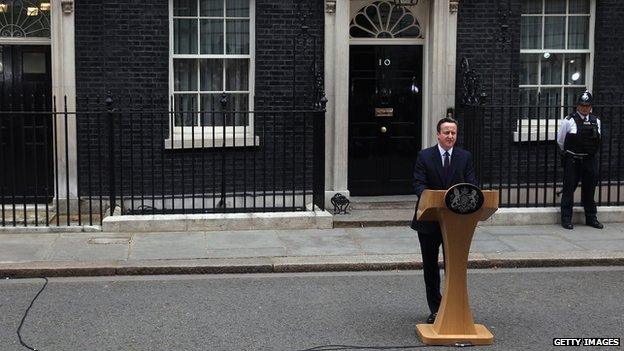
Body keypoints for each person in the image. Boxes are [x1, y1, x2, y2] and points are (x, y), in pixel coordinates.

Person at [410, 117, 477, 324]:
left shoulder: (464, 157)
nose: (450, 136)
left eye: (453, 133)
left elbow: (471, 183)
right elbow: (418, 184)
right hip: (429, 221)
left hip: (456, 222)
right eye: (446, 132)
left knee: (453, 266)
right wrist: (431, 197)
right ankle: (435, 309)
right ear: (438, 134)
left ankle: (453, 305)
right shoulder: (425, 156)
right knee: (430, 267)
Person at [557, 91, 603, 230]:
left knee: (590, 190)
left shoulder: (596, 121)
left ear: (591, 107)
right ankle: (566, 219)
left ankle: (591, 218)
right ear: (577, 106)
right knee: (568, 189)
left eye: (587, 106)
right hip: (574, 160)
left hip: (589, 159)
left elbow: (599, 140)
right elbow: (561, 140)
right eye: (582, 105)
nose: (584, 108)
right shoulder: (569, 120)